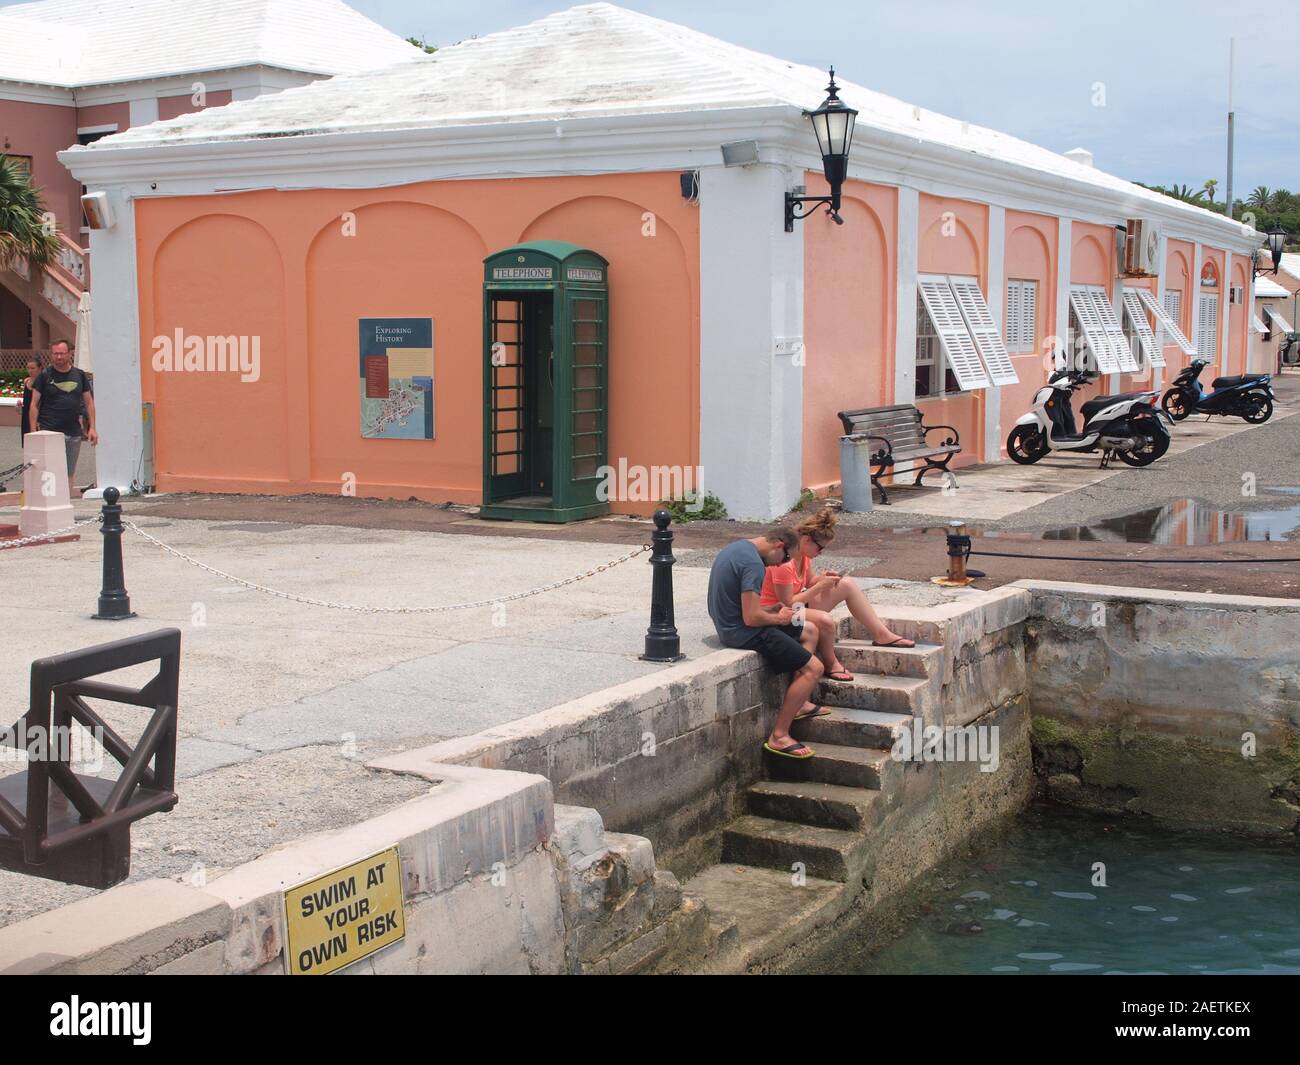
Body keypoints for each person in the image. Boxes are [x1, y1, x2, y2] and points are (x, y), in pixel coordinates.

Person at [707, 527, 827, 760]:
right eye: (784, 558)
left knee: (810, 630)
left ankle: (799, 702)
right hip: (742, 632)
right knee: (815, 669)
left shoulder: (737, 547)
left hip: (728, 623)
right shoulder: (754, 565)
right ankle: (780, 735)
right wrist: (777, 618)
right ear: (779, 546)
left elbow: (747, 606)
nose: (778, 565)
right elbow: (751, 619)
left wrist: (769, 611)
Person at [760, 508, 914, 682]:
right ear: (806, 540)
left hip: (797, 607)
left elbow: (809, 581)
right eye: (820, 548)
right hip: (779, 613)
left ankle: (881, 634)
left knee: (846, 583)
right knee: (825, 621)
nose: (821, 553)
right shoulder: (784, 564)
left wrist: (824, 579)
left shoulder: (804, 556)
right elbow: (787, 603)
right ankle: (830, 662)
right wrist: (820, 588)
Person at [28, 339, 96, 478]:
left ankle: (68, 498)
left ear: (70, 354)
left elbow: (89, 402)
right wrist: (33, 431)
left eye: (62, 353)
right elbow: (34, 404)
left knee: (69, 473)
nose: (59, 357)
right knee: (50, 473)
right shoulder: (45, 375)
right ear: (51, 355)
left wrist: (92, 427)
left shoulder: (79, 375)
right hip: (50, 431)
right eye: (56, 353)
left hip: (74, 432)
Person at [20, 356, 39, 444]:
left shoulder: (42, 383)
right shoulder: (26, 381)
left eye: (33, 368)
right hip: (26, 415)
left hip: (38, 416)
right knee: (27, 444)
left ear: (39, 368)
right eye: (28, 368)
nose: (30, 371)